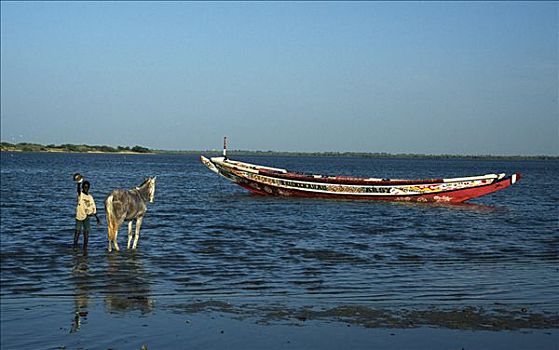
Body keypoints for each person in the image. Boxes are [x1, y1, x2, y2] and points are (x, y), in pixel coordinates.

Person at [74, 178, 100, 252]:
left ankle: (85, 248)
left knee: (86, 234)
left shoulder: (90, 197)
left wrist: (97, 218)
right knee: (77, 232)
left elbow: (93, 208)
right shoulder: (80, 195)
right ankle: (75, 247)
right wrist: (79, 183)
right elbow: (78, 190)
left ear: (89, 188)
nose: (86, 188)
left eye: (87, 187)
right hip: (79, 216)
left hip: (87, 217)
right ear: (82, 187)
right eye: (84, 187)